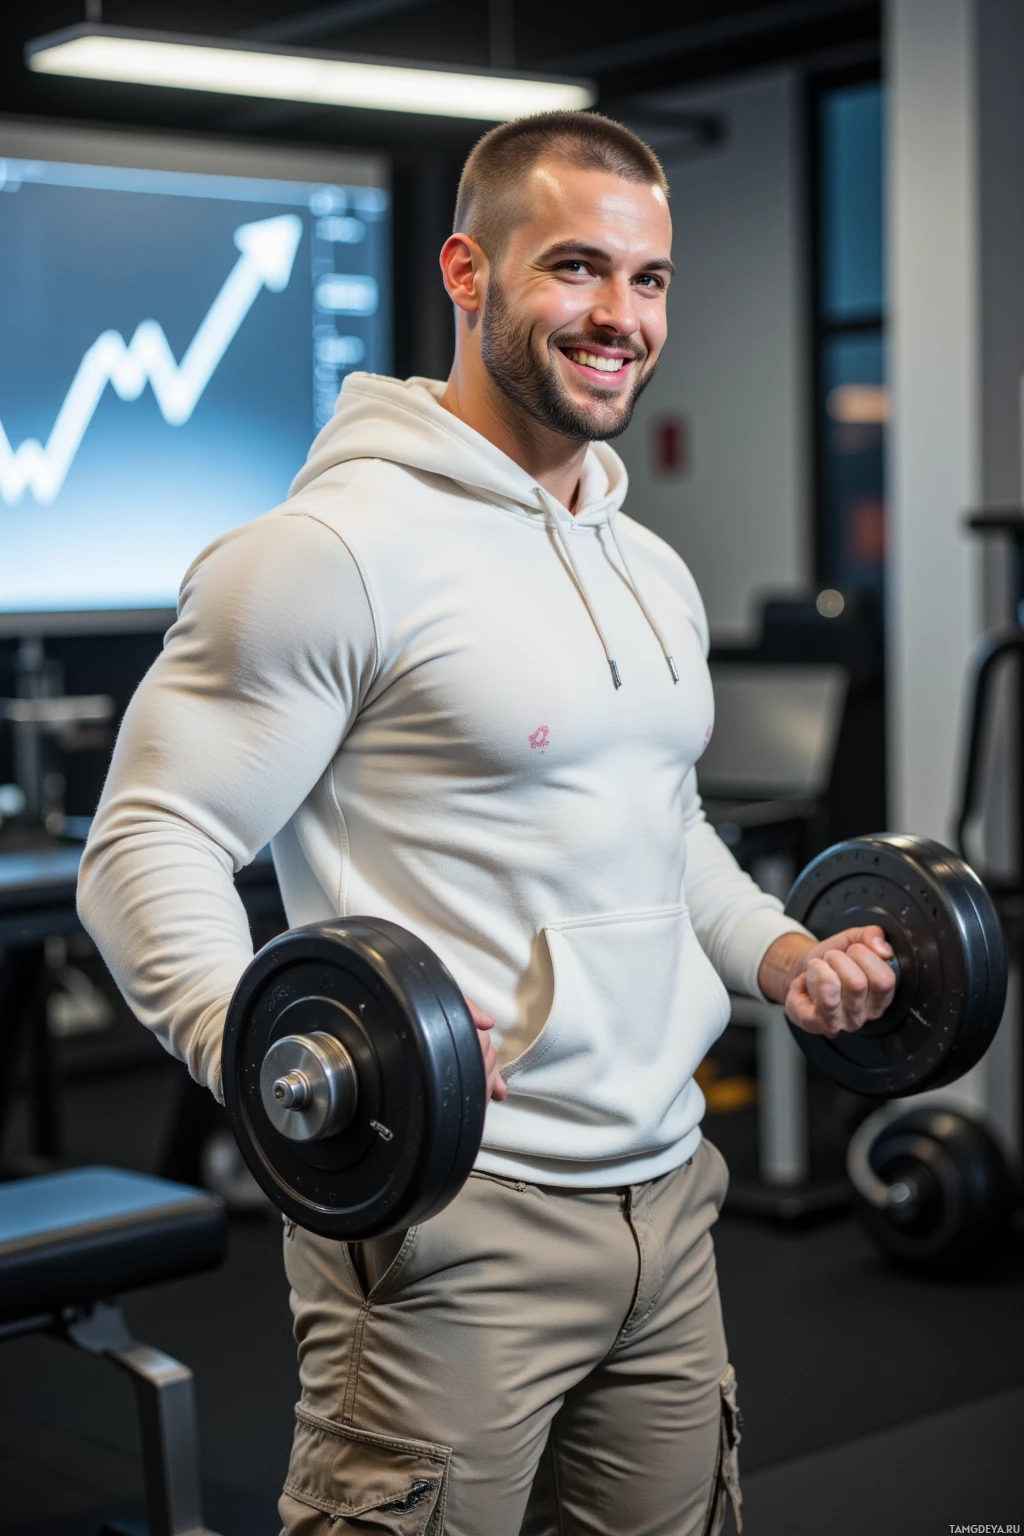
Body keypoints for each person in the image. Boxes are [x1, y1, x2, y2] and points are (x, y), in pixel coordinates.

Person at [78, 112, 896, 1536]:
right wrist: (279, 1060)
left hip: (668, 1197)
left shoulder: (649, 567)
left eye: (649, 280)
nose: (621, 318)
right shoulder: (327, 556)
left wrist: (777, 954)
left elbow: (659, 826)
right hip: (451, 1222)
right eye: (576, 268)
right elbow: (148, 844)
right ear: (468, 271)